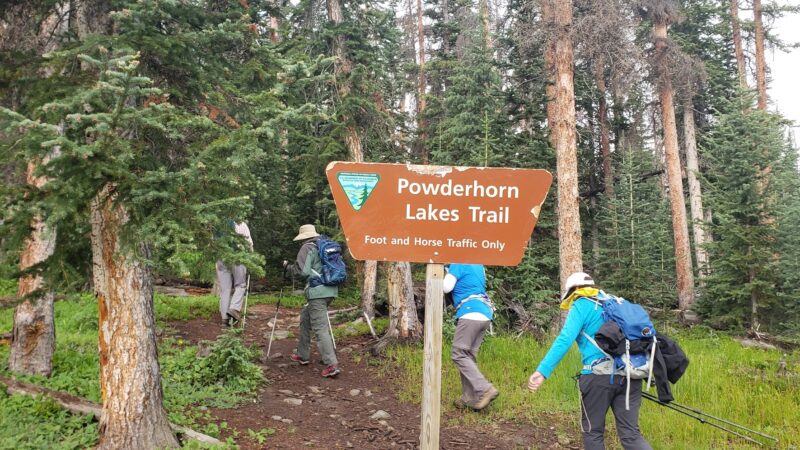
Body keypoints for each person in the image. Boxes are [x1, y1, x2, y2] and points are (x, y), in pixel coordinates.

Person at [527, 272, 652, 450]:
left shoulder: (582, 304)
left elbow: (564, 339)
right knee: (631, 434)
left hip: (598, 377)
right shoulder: (616, 302)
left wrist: (542, 371)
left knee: (593, 432)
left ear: (573, 290)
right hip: (631, 375)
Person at [284, 224, 340, 378]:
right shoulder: (324, 244)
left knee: (320, 327)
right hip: (330, 290)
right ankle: (303, 354)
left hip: (317, 292)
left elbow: (302, 272)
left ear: (303, 237)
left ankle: (331, 364)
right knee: (305, 318)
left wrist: (288, 267)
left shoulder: (307, 247)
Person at [444, 263, 498, 410]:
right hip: (485, 313)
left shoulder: (458, 263)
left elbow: (446, 287)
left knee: (459, 354)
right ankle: (470, 398)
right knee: (468, 357)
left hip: (470, 311)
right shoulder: (478, 265)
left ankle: (484, 389)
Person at [216, 221, 253, 327]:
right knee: (240, 285)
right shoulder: (241, 224)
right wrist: (251, 259)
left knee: (225, 289)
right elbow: (249, 243)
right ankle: (234, 308)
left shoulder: (218, 224)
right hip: (238, 256)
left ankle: (224, 319)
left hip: (221, 257)